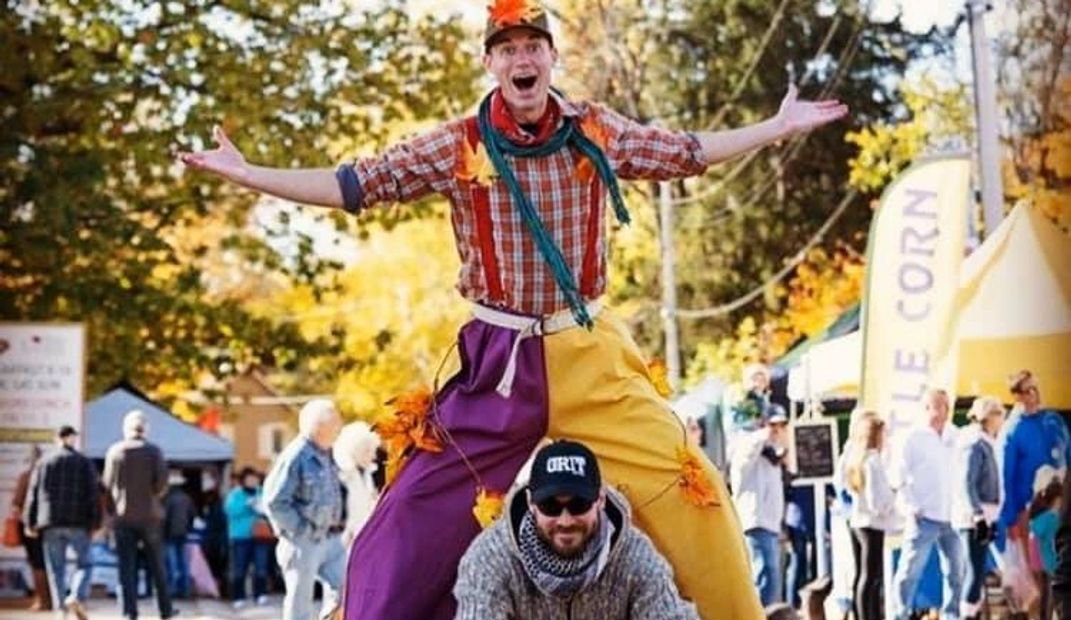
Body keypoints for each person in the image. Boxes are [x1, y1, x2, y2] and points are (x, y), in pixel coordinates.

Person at [179, 3, 847, 617]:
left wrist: (775, 128)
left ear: (550, 58)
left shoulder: (593, 129)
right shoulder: (457, 143)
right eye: (506, 49)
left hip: (591, 350)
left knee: (693, 493)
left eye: (532, 45)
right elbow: (356, 183)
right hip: (497, 364)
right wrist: (250, 174)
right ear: (490, 63)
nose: (520, 59)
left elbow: (684, 153)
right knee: (409, 511)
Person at [454, 439, 700, 619]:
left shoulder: (635, 556)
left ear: (600, 501)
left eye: (579, 504)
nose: (565, 520)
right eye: (551, 506)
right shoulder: (490, 558)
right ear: (531, 504)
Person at [262, 399, 346, 620]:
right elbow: (274, 501)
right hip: (303, 542)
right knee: (300, 606)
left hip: (330, 538)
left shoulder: (327, 453)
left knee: (348, 588)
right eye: (334, 423)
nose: (339, 427)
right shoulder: (295, 456)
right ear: (319, 427)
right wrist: (300, 530)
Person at [890, 389, 965, 620]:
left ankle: (952, 614)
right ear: (925, 409)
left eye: (944, 406)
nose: (940, 412)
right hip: (924, 516)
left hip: (952, 515)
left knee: (956, 571)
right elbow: (897, 477)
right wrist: (911, 507)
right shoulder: (912, 437)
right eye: (935, 406)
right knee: (910, 570)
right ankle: (900, 614)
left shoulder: (956, 435)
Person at [103, 410, 176, 620]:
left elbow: (107, 485)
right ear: (146, 429)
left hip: (122, 516)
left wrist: (111, 511)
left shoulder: (115, 451)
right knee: (157, 566)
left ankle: (129, 611)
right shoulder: (154, 451)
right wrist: (152, 496)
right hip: (150, 516)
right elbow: (162, 484)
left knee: (126, 566)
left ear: (126, 429)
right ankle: (165, 609)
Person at [23, 426, 100, 620]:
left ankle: (60, 610)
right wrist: (95, 523)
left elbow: (33, 494)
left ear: (57, 439)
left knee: (55, 568)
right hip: (78, 522)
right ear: (73, 439)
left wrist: (29, 522)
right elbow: (93, 495)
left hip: (50, 522)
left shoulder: (44, 462)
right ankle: (76, 596)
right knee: (86, 563)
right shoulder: (84, 463)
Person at [1000, 371, 1071, 557]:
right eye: (1029, 390)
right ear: (1017, 396)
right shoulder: (1013, 430)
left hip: (1061, 504)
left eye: (1036, 387)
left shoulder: (1054, 420)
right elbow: (1006, 476)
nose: (1035, 393)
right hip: (1030, 510)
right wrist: (1010, 520)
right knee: (1040, 567)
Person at [730, 403, 790, 606]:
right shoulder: (749, 448)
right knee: (765, 575)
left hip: (770, 524)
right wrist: (763, 433)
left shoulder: (774, 455)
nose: (777, 430)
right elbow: (746, 454)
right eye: (774, 425)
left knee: (772, 579)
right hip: (755, 522)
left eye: (782, 425)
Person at [953, 396, 1004, 620]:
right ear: (989, 417)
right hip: (974, 517)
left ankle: (973, 612)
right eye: (999, 414)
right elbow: (967, 482)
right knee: (974, 572)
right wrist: (977, 515)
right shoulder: (974, 444)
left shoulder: (986, 442)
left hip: (985, 515)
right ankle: (967, 615)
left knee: (979, 571)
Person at [844, 413, 896, 620]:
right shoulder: (872, 460)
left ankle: (863, 614)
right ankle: (869, 615)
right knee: (871, 576)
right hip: (872, 523)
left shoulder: (857, 458)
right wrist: (891, 498)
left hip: (858, 521)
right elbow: (877, 500)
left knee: (862, 574)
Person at [224, 467, 271, 608]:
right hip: (240, 537)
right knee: (239, 568)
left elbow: (270, 509)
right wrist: (247, 505)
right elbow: (230, 511)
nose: (253, 481)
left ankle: (260, 594)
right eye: (249, 479)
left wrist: (262, 508)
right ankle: (239, 596)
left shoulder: (262, 492)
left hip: (260, 535)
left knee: (261, 567)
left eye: (255, 479)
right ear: (243, 480)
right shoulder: (235, 494)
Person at [11, 445, 50, 612]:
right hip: (47, 526)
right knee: (48, 564)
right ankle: (50, 599)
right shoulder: (49, 478)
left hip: (29, 526)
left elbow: (16, 505)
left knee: (37, 565)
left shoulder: (26, 477)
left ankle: (41, 600)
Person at [332, 421, 382, 548]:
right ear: (354, 450)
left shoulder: (368, 473)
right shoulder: (341, 475)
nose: (373, 456)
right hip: (344, 540)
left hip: (364, 538)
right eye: (367, 451)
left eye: (373, 450)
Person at [1029, 468, 1062, 620]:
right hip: (1053, 563)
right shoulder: (1054, 518)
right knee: (1051, 596)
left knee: (1048, 595)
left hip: (1048, 563)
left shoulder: (1045, 518)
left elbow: (1033, 532)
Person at [162, 469, 196, 599]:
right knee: (184, 563)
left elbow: (164, 518)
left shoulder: (167, 499)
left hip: (170, 534)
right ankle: (185, 590)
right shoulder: (187, 498)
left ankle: (173, 591)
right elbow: (192, 515)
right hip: (183, 533)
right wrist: (188, 529)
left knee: (172, 564)